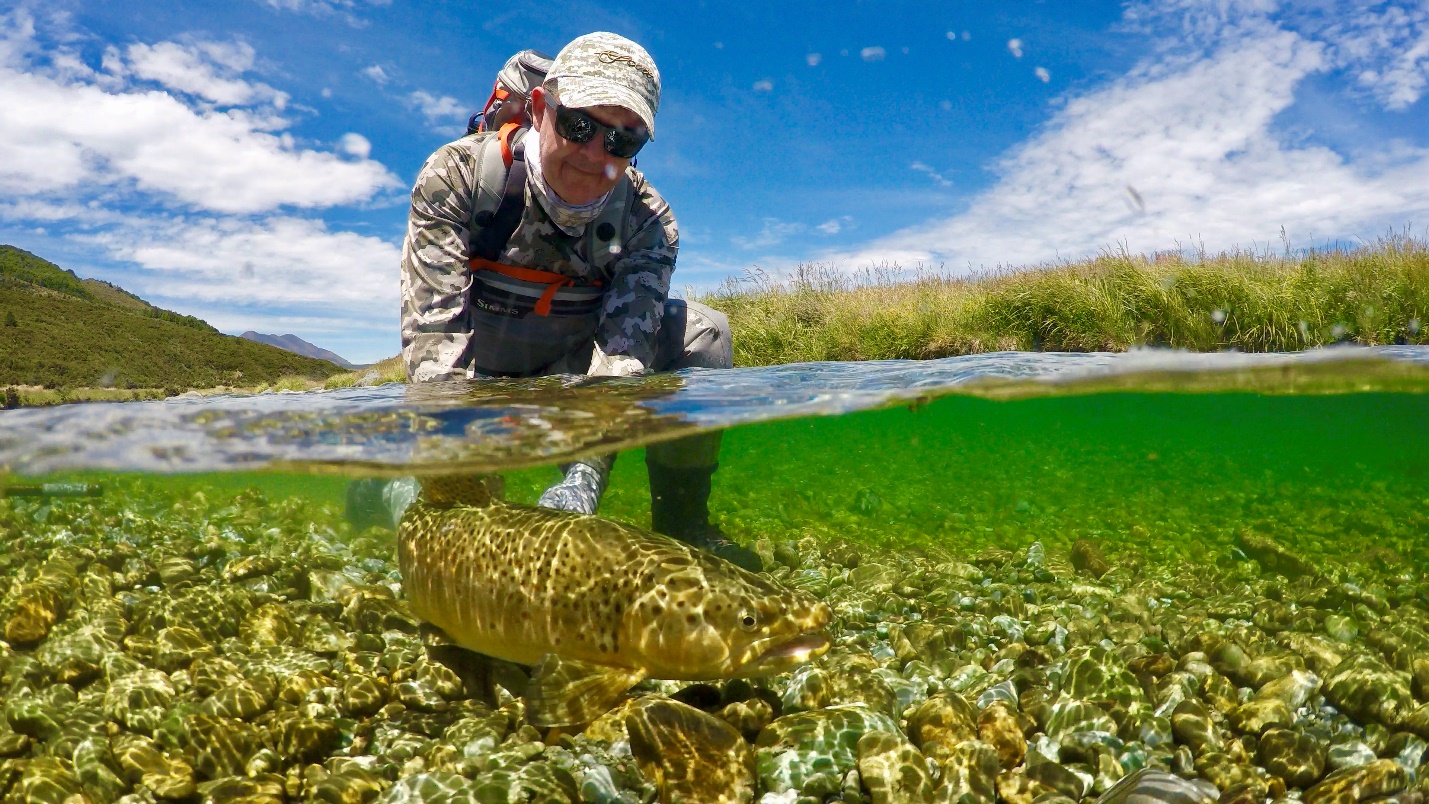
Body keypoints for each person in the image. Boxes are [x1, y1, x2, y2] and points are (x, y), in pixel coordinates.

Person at [399, 32, 760, 571]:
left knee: (706, 333)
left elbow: (621, 361)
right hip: (475, 369)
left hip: (575, 368)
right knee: (449, 518)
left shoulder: (649, 222)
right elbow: (437, 362)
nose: (595, 156)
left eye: (622, 141)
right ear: (542, 109)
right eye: (580, 126)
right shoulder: (456, 178)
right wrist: (470, 498)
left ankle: (685, 528)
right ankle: (394, 498)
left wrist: (584, 477)